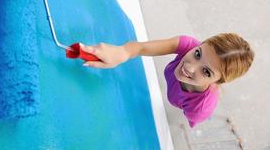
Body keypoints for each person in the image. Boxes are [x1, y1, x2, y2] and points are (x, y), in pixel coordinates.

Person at [79, 33, 255, 127]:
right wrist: (122, 52)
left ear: (217, 82)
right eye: (198, 53)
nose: (190, 67)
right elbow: (139, 48)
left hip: (194, 109)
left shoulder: (199, 108)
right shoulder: (188, 44)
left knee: (187, 119)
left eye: (207, 72)